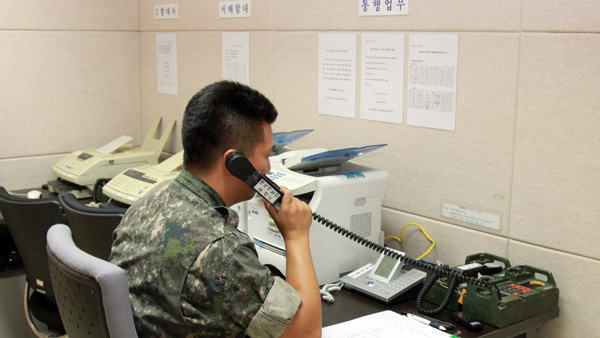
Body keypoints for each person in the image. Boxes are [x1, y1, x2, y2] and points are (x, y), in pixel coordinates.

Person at [110, 81, 322, 338]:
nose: (268, 168)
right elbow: (306, 333)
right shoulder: (222, 252)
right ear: (236, 163)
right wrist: (296, 235)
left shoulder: (146, 205)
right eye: (267, 155)